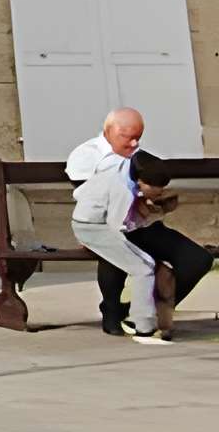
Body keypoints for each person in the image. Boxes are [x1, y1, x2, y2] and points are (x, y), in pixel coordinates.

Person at [83, 127, 215, 335]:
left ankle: (150, 308)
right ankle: (111, 309)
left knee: (198, 259)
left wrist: (157, 204)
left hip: (148, 229)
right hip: (112, 231)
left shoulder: (142, 163)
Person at [69, 108, 177, 341]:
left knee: (144, 264)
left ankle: (143, 321)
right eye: (152, 191)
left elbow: (85, 195)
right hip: (93, 226)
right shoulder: (122, 188)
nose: (152, 195)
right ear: (142, 182)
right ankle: (144, 325)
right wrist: (147, 217)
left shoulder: (123, 172)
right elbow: (117, 225)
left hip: (93, 221)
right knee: (142, 267)